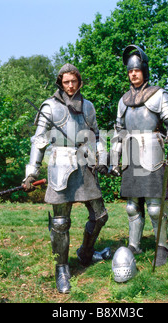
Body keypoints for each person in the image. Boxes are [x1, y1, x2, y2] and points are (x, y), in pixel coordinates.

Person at [22, 63, 110, 294]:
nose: (70, 85)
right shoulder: (49, 107)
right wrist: (32, 171)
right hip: (61, 163)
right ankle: (61, 268)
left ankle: (86, 253)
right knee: (61, 223)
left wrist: (103, 158)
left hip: (85, 162)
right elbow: (39, 140)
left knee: (100, 216)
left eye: (74, 81)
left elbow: (97, 136)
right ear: (60, 82)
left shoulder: (88, 106)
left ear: (79, 82)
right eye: (66, 81)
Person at [110, 45, 168, 267]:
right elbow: (118, 132)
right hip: (131, 151)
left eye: (137, 70)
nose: (133, 74)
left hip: (153, 149)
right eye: (130, 71)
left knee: (154, 206)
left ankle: (162, 246)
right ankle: (134, 244)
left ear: (144, 70)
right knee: (132, 206)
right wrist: (114, 160)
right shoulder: (123, 101)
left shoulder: (159, 95)